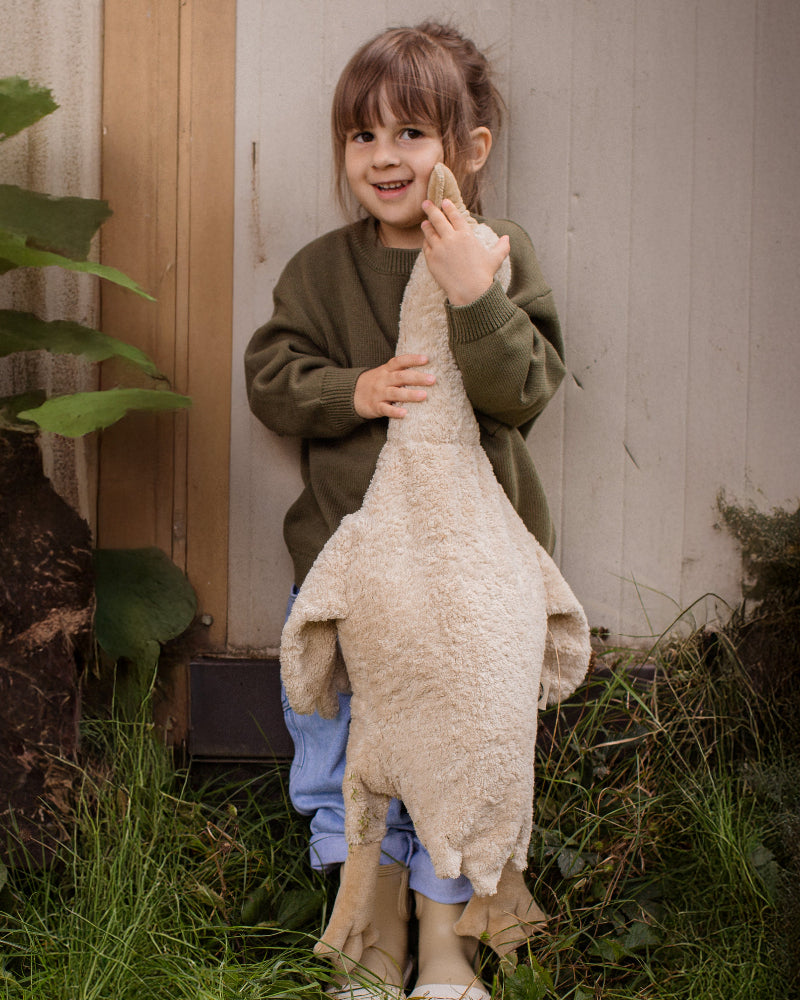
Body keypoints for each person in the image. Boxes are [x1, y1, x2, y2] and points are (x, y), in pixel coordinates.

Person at [245, 21, 566, 1000]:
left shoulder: (496, 256)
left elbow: (526, 388)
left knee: (455, 755)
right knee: (345, 752)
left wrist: (474, 297)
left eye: (411, 134)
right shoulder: (318, 269)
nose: (383, 157)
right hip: (353, 574)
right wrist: (353, 388)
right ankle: (368, 940)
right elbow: (270, 373)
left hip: (463, 581)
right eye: (361, 135)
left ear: (467, 149)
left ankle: (444, 951)